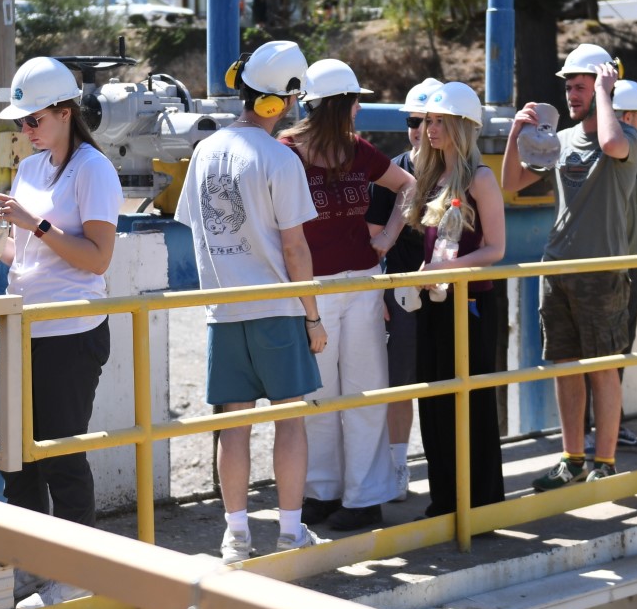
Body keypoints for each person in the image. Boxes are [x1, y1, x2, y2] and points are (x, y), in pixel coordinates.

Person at [173, 40, 328, 563]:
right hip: (278, 309)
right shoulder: (278, 159)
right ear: (278, 101)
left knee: (232, 426)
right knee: (290, 420)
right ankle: (290, 532)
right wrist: (313, 317)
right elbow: (295, 246)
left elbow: (198, 229)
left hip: (224, 310)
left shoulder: (203, 151)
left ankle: (235, 534)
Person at [0, 56, 120, 608]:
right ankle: (34, 565)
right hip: (22, 325)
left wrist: (31, 223)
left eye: (33, 119)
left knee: (61, 455)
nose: (25, 130)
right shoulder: (32, 167)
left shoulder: (93, 169)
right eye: (21, 123)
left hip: (69, 329)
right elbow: (30, 252)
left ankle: (75, 570)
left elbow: (97, 259)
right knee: (13, 456)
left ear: (65, 112)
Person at [282, 58, 414, 532]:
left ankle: (364, 497)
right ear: (340, 106)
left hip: (359, 284)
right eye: (354, 102)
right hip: (311, 289)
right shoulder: (287, 151)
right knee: (316, 396)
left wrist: (386, 238)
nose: (359, 110)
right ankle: (322, 490)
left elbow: (408, 187)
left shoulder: (360, 151)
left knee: (363, 393)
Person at [502, 43, 637, 489]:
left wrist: (606, 92)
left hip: (602, 271)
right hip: (557, 267)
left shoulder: (627, 137)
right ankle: (573, 458)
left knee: (602, 366)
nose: (572, 95)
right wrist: (516, 133)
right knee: (565, 365)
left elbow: (611, 142)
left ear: (603, 85)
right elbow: (511, 184)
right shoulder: (559, 142)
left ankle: (606, 461)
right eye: (569, 87)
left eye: (580, 86)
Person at [405, 81, 506, 516]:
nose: (430, 128)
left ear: (462, 127)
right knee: (434, 398)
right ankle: (444, 497)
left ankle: (479, 502)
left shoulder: (480, 178)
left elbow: (496, 249)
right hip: (434, 302)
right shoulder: (430, 176)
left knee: (472, 401)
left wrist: (444, 271)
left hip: (470, 305)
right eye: (428, 120)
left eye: (440, 121)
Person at [365, 78, 441, 502]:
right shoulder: (391, 172)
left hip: (447, 291)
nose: (419, 128)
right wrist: (379, 293)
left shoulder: (459, 171)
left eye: (429, 120)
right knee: (400, 386)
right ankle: (397, 468)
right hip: (402, 291)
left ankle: (447, 465)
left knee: (444, 381)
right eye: (414, 119)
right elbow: (373, 242)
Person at [586, 78, 637, 454]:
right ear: (629, 116)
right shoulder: (604, 154)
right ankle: (593, 431)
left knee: (618, 348)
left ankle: (608, 427)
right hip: (605, 267)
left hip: (625, 266)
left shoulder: (623, 156)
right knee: (598, 352)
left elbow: (632, 207)